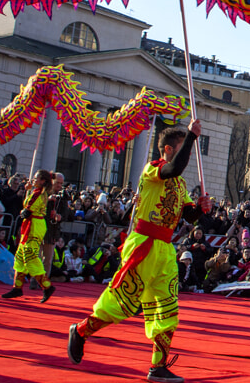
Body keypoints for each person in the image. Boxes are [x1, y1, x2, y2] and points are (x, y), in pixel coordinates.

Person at [68, 123, 212, 383]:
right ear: (168, 149)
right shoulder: (153, 170)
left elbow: (188, 215)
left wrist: (201, 208)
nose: (187, 156)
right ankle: (81, 330)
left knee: (167, 310)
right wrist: (192, 135)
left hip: (165, 251)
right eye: (182, 148)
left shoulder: (179, 184)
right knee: (122, 303)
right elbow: (174, 167)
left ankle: (158, 366)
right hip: (144, 245)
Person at [2, 169, 56, 302]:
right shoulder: (37, 192)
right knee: (21, 255)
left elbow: (28, 209)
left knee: (30, 256)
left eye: (36, 178)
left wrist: (25, 210)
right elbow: (26, 206)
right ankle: (17, 287)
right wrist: (27, 191)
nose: (34, 179)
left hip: (34, 225)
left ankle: (46, 286)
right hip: (30, 224)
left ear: (42, 181)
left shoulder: (41, 193)